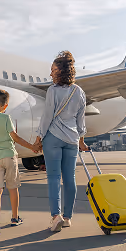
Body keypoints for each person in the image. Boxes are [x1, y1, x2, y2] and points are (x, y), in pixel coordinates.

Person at [35, 51, 89, 232]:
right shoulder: (79, 91)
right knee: (70, 179)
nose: (50, 74)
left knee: (53, 178)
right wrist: (81, 140)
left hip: (53, 138)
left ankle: (55, 216)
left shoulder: (52, 91)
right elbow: (81, 119)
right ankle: (67, 218)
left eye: (53, 70)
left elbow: (47, 116)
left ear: (61, 71)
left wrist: (39, 137)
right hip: (72, 139)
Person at [0, 90, 40, 236]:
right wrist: (32, 147)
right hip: (9, 156)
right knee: (13, 188)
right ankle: (14, 217)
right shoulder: (7, 118)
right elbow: (16, 138)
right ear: (5, 106)